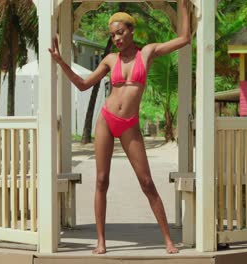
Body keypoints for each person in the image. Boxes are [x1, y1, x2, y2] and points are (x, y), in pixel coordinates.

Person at [48, 0, 190, 254]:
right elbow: (82, 84)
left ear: (131, 30)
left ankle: (168, 239)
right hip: (106, 120)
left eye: (120, 33)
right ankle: (101, 241)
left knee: (146, 182)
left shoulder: (146, 53)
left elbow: (183, 39)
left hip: (129, 125)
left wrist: (182, 6)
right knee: (102, 180)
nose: (116, 38)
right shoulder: (110, 60)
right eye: (113, 34)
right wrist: (60, 61)